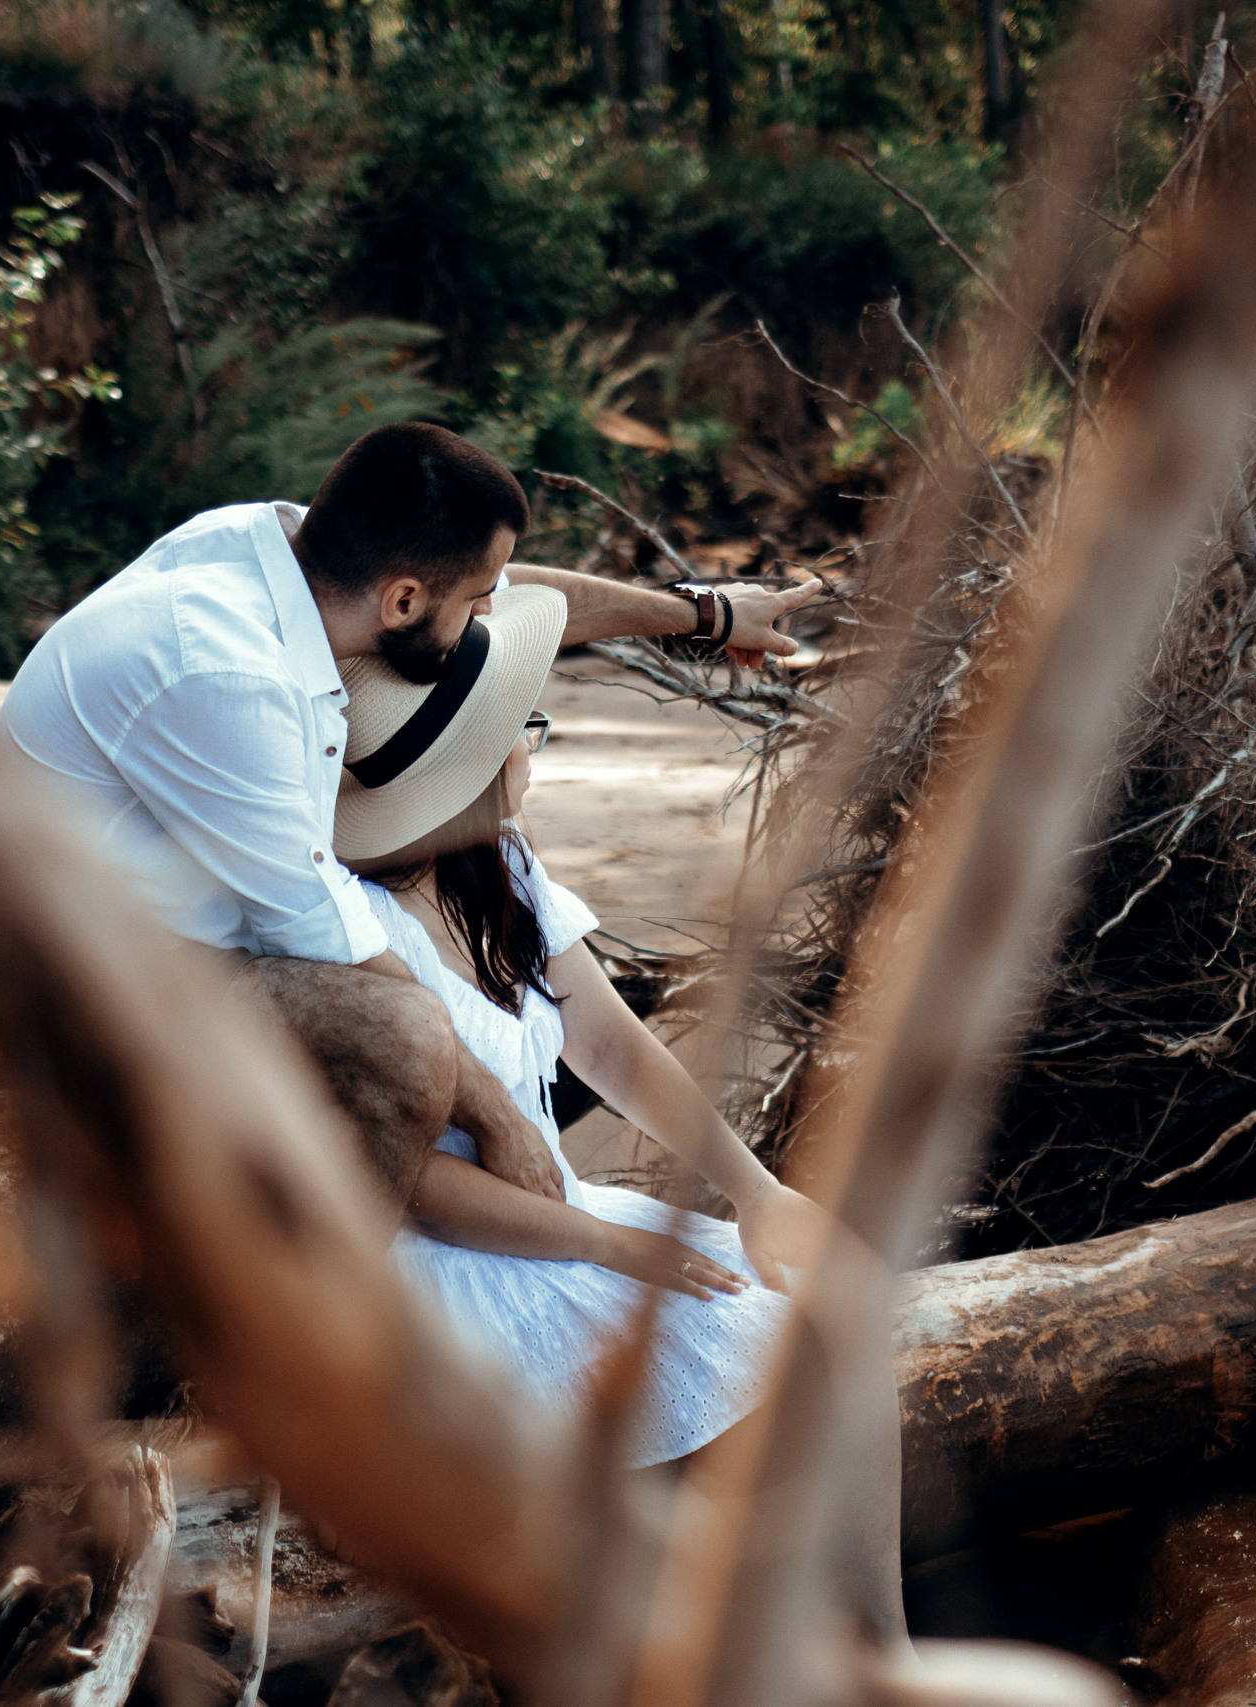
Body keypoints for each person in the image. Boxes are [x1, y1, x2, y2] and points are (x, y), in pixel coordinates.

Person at [0, 424, 818, 1205]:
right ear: (403, 602)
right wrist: (503, 1122)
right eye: (476, 601)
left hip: (147, 945)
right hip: (67, 1000)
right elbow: (319, 930)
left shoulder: (291, 554)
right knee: (408, 1030)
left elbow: (521, 597)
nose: (490, 614)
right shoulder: (228, 672)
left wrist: (704, 613)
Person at [330, 585, 905, 1640]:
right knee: (727, 1379)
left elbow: (607, 1042)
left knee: (837, 1314)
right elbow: (412, 1189)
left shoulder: (497, 864)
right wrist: (604, 1245)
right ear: (456, 765)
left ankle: (882, 1650)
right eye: (523, 729)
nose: (530, 748)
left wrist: (757, 1189)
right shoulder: (346, 933)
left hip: (558, 1222)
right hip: (450, 1272)